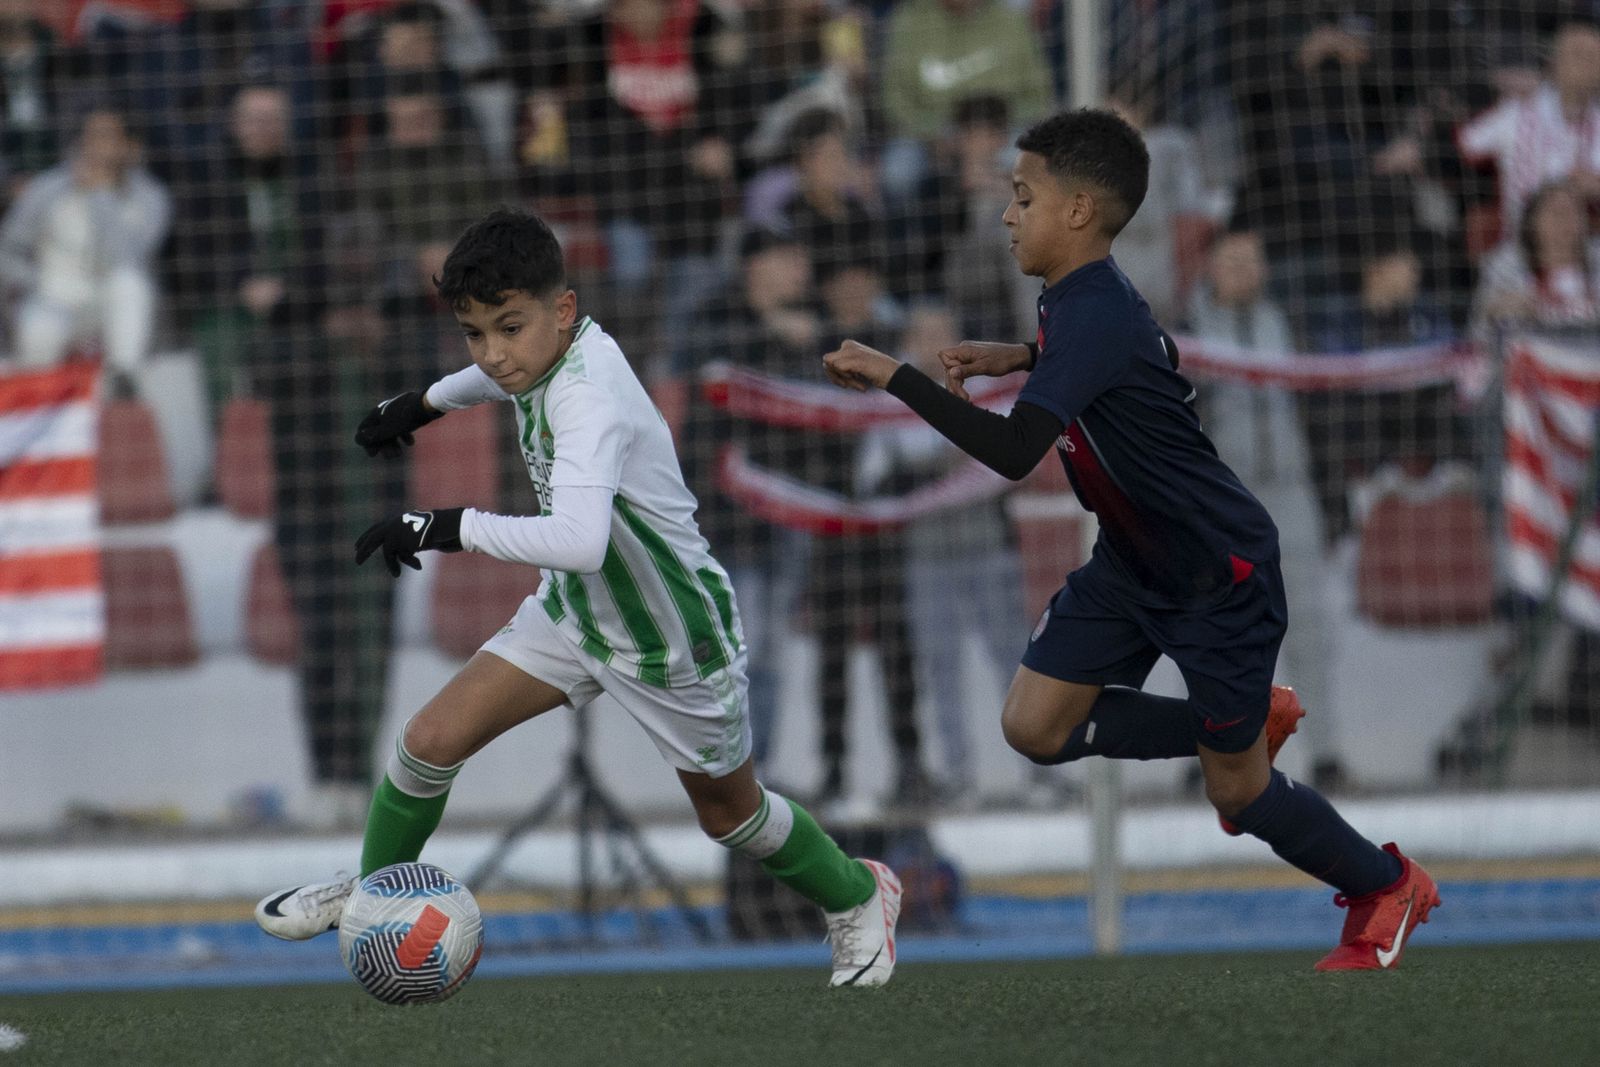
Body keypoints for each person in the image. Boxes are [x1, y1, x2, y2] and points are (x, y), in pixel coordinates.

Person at [821, 108, 1439, 971]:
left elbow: (1011, 451)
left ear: (1077, 211)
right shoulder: (1076, 302)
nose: (1007, 213)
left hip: (1214, 575)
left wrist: (897, 376)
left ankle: (1388, 883)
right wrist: (1022, 355)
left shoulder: (1094, 311)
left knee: (1239, 790)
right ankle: (1240, 721)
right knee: (1034, 727)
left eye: (1021, 195)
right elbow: (1108, 363)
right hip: (1131, 562)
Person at [253, 209, 901, 988]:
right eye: (474, 333)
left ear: (562, 310)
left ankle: (862, 894)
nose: (493, 354)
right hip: (575, 613)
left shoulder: (588, 399)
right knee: (428, 741)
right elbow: (505, 376)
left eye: (508, 328)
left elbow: (580, 540)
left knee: (731, 814)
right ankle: (370, 893)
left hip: (671, 637)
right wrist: (425, 401)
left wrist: (446, 525)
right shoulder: (550, 351)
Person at [1185, 226, 1340, 788]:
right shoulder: (1189, 336)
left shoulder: (1288, 324)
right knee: (1213, 631)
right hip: (1222, 504)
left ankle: (1326, 752)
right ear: (1210, 269)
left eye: (1252, 260)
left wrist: (1333, 495)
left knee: (1308, 626)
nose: (1243, 271)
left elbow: (1322, 413)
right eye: (1231, 261)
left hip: (1292, 494)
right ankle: (1203, 752)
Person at [0, 105, 169, 386]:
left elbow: (129, 260)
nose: (98, 147)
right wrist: (34, 283)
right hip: (52, 294)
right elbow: (8, 250)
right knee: (39, 332)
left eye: (108, 137)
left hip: (108, 298)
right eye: (92, 137)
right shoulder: (48, 188)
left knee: (131, 285)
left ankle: (123, 382)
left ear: (129, 146)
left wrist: (100, 195)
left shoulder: (150, 197)